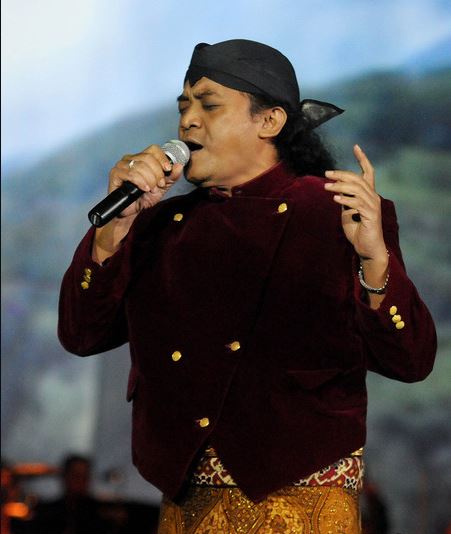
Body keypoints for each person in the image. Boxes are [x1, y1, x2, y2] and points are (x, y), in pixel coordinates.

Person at [58, 39, 437, 533]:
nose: (188, 121)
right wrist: (113, 230)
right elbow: (81, 335)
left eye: (209, 105)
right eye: (184, 106)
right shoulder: (160, 224)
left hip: (302, 506)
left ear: (270, 121)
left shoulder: (335, 212)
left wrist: (375, 260)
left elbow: (411, 361)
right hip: (184, 509)